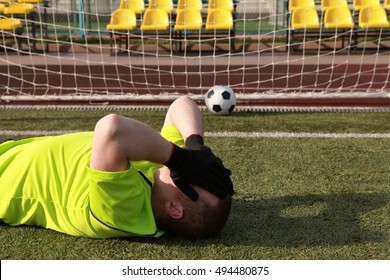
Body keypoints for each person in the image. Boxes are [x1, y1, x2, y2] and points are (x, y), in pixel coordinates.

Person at [0, 96, 233, 240]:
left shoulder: (125, 212)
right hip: (10, 150)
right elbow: (181, 104)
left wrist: (182, 159)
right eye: (207, 173)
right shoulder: (163, 176)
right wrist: (195, 146)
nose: (197, 171)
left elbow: (111, 129)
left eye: (200, 179)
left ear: (173, 209)